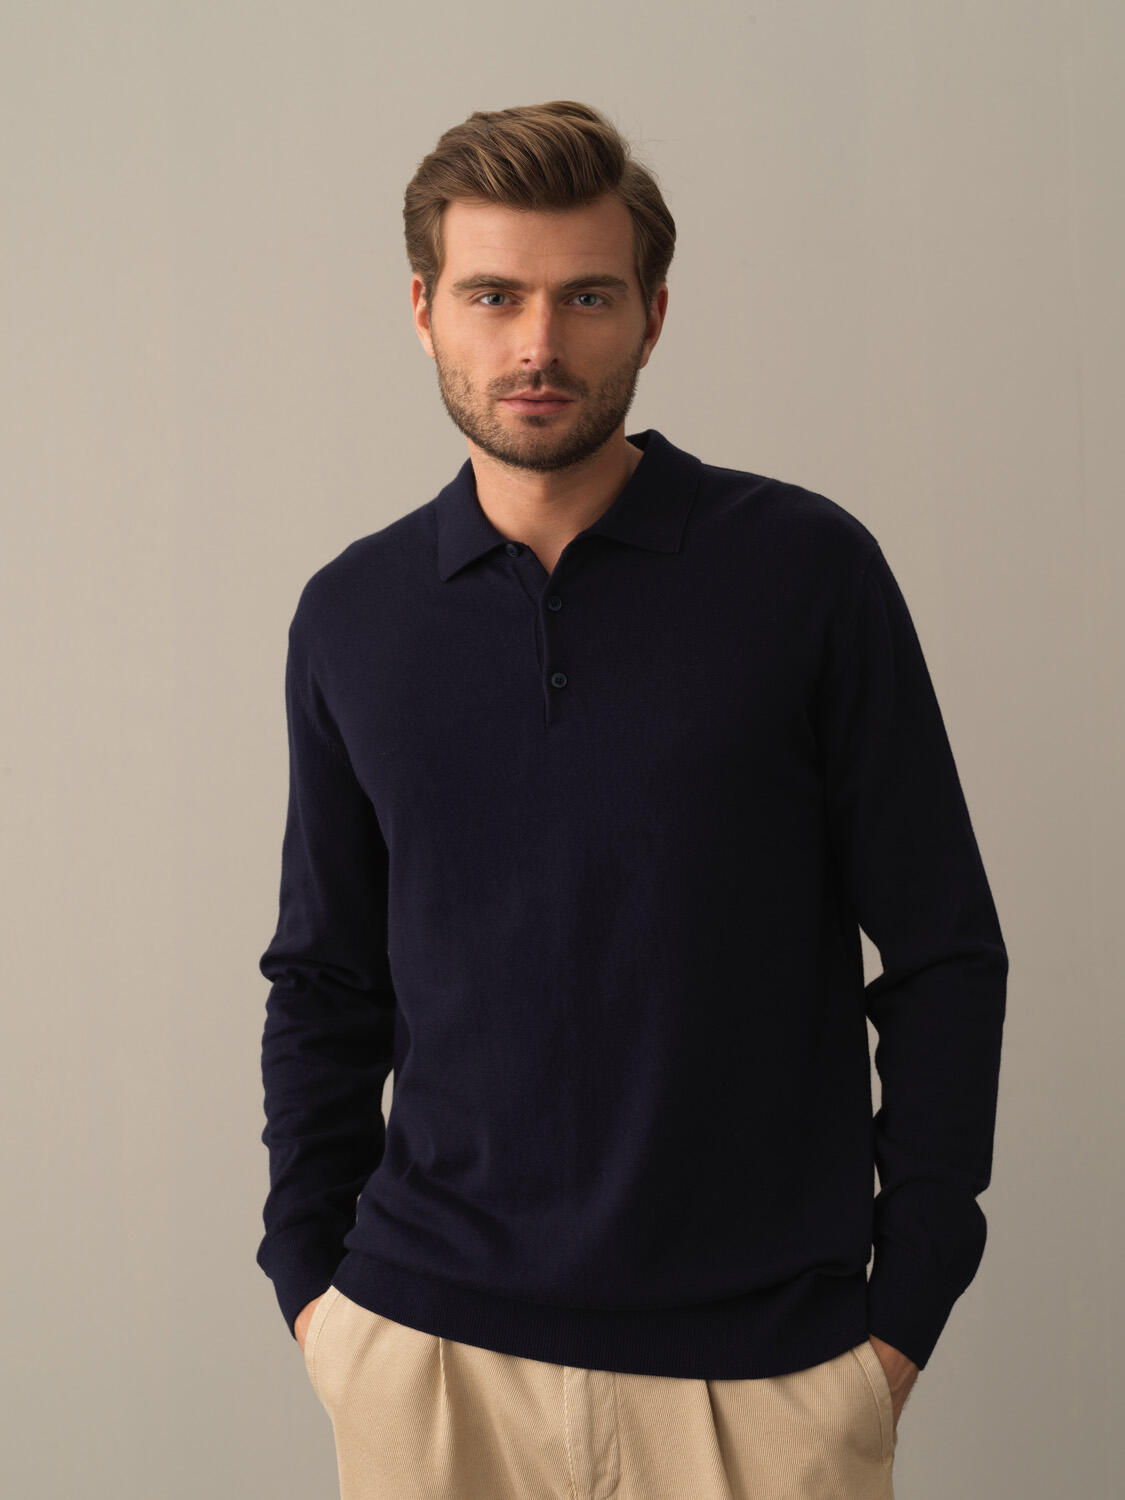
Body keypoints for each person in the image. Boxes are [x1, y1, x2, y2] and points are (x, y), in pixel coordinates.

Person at [256, 99, 1008, 1500]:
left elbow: (944, 951)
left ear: (653, 316)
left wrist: (905, 1305)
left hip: (762, 1374)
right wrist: (312, 1284)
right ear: (424, 311)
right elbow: (325, 975)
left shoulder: (804, 572)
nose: (537, 345)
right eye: (493, 296)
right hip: (429, 1361)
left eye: (586, 297)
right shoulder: (354, 614)